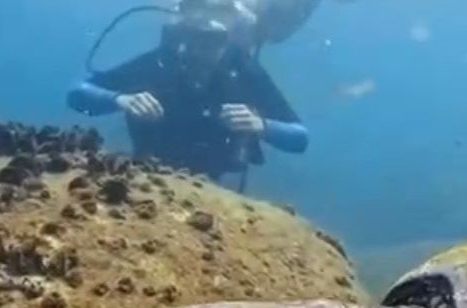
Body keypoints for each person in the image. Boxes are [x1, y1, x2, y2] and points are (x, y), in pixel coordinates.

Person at [67, 20, 308, 189]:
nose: (202, 51)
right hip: (145, 176)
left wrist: (262, 125)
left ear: (228, 40)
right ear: (184, 35)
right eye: (196, 38)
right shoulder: (160, 64)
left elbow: (300, 138)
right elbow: (77, 94)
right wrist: (119, 99)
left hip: (213, 185)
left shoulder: (244, 72)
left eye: (214, 41)